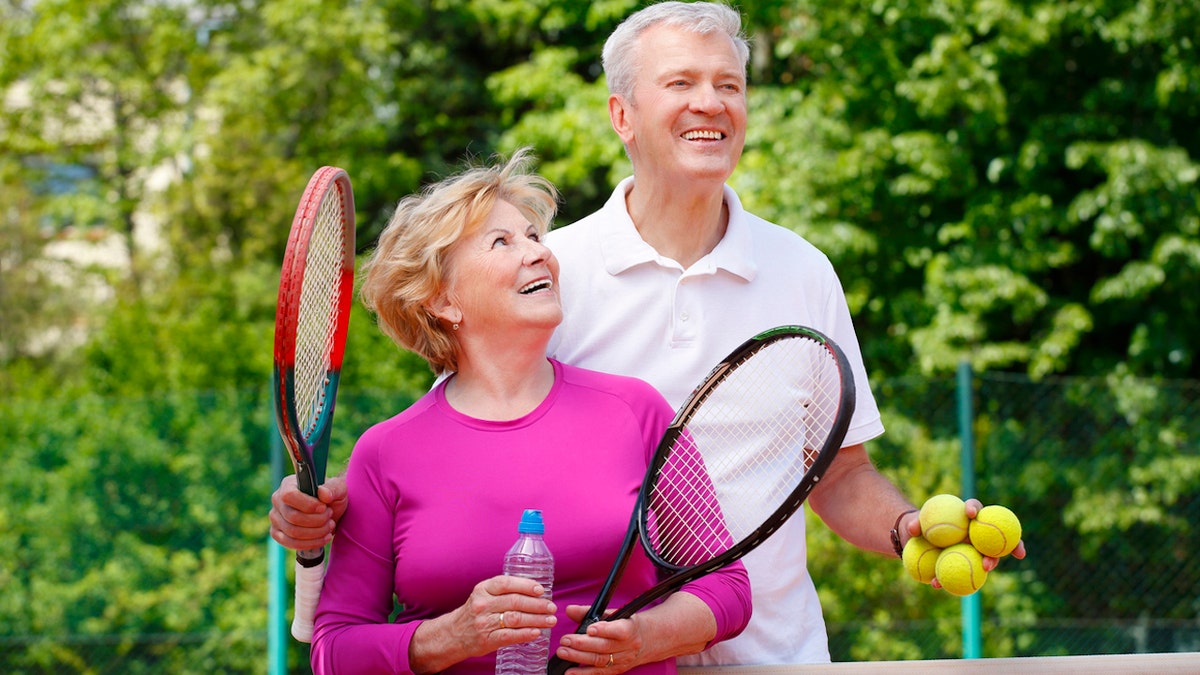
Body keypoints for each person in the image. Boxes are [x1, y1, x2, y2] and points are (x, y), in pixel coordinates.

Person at [271, 1, 1025, 667]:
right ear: (621, 115)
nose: (712, 103)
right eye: (682, 83)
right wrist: (342, 506)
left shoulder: (802, 271)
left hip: (776, 654)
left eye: (729, 84)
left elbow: (838, 472)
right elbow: (469, 444)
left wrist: (905, 528)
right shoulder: (550, 275)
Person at [305, 149, 751, 675]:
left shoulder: (636, 411)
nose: (538, 253)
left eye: (534, 237)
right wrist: (451, 636)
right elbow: (333, 650)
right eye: (502, 242)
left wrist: (646, 636)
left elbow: (727, 588)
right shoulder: (385, 452)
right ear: (443, 301)